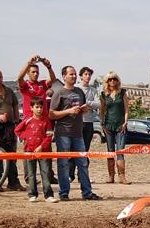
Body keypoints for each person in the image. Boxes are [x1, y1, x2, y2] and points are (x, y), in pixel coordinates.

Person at [50, 65, 101, 201]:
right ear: (64, 76)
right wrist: (68, 111)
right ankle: (64, 192)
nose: (73, 76)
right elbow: (52, 114)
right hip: (63, 133)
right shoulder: (59, 93)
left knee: (83, 163)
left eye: (74, 74)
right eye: (71, 74)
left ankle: (87, 192)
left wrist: (83, 110)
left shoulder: (79, 92)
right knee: (63, 164)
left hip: (78, 133)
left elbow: (84, 108)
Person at [17, 55, 58, 184]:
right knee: (29, 149)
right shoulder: (25, 85)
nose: (35, 74)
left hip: (44, 120)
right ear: (28, 73)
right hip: (30, 121)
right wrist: (29, 63)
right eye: (32, 72)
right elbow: (19, 78)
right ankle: (30, 178)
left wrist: (48, 66)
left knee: (47, 147)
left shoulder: (42, 84)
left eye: (37, 72)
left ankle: (49, 175)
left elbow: (53, 79)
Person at [14, 96, 58, 203]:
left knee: (46, 172)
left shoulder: (46, 121)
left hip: (43, 152)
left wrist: (42, 146)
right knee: (31, 174)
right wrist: (26, 137)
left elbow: (49, 135)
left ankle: (48, 194)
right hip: (29, 151)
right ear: (31, 108)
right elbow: (17, 130)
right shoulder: (27, 120)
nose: (39, 109)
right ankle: (32, 194)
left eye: (41, 107)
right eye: (37, 107)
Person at [68, 67, 101, 182]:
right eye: (85, 74)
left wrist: (87, 103)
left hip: (89, 123)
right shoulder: (76, 88)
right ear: (81, 76)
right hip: (76, 122)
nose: (88, 76)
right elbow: (72, 102)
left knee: (85, 150)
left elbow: (98, 104)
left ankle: (83, 175)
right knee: (73, 149)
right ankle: (70, 174)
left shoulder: (93, 90)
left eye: (89, 74)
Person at [99, 71, 131, 184]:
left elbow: (126, 109)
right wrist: (102, 124)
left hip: (120, 125)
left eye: (114, 79)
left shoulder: (122, 93)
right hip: (108, 124)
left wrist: (125, 122)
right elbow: (102, 110)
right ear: (107, 81)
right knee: (110, 151)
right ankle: (111, 176)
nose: (112, 81)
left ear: (117, 81)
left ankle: (122, 176)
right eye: (110, 79)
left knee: (120, 150)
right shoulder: (104, 94)